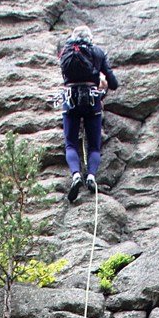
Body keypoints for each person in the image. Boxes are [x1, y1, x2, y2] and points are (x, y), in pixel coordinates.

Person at [58, 26, 118, 203]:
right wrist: (101, 80)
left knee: (71, 144)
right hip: (92, 101)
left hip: (70, 100)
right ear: (90, 38)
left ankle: (76, 175)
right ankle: (91, 176)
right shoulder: (97, 52)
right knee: (94, 146)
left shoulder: (65, 52)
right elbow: (113, 83)